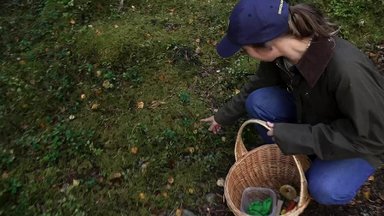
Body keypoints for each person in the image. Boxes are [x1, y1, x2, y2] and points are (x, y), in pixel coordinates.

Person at [201, 0, 384, 205]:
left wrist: (293, 135)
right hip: (316, 115)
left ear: (267, 45)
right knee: (258, 101)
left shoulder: (347, 72)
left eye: (245, 50)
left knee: (326, 188)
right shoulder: (282, 54)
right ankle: (296, 160)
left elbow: (373, 137)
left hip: (361, 140)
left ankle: (315, 164)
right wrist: (223, 116)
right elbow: (258, 84)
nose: (247, 55)